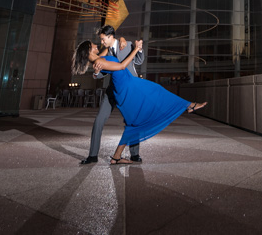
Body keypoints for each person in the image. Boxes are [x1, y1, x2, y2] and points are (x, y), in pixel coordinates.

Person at [72, 37, 207, 166]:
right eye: (93, 45)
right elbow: (122, 66)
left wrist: (122, 39)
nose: (97, 44)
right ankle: (188, 105)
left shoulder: (99, 57)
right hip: (127, 88)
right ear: (89, 50)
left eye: (101, 40)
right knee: (149, 101)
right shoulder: (98, 62)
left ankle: (117, 157)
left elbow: (109, 48)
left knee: (141, 112)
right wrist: (136, 49)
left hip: (130, 84)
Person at [79, 24, 145, 164]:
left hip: (129, 90)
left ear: (110, 37)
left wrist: (139, 49)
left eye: (103, 39)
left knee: (132, 121)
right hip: (112, 91)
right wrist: (96, 73)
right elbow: (101, 73)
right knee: (99, 121)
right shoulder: (106, 53)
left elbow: (139, 60)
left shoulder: (126, 44)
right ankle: (92, 155)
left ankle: (134, 154)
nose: (101, 43)